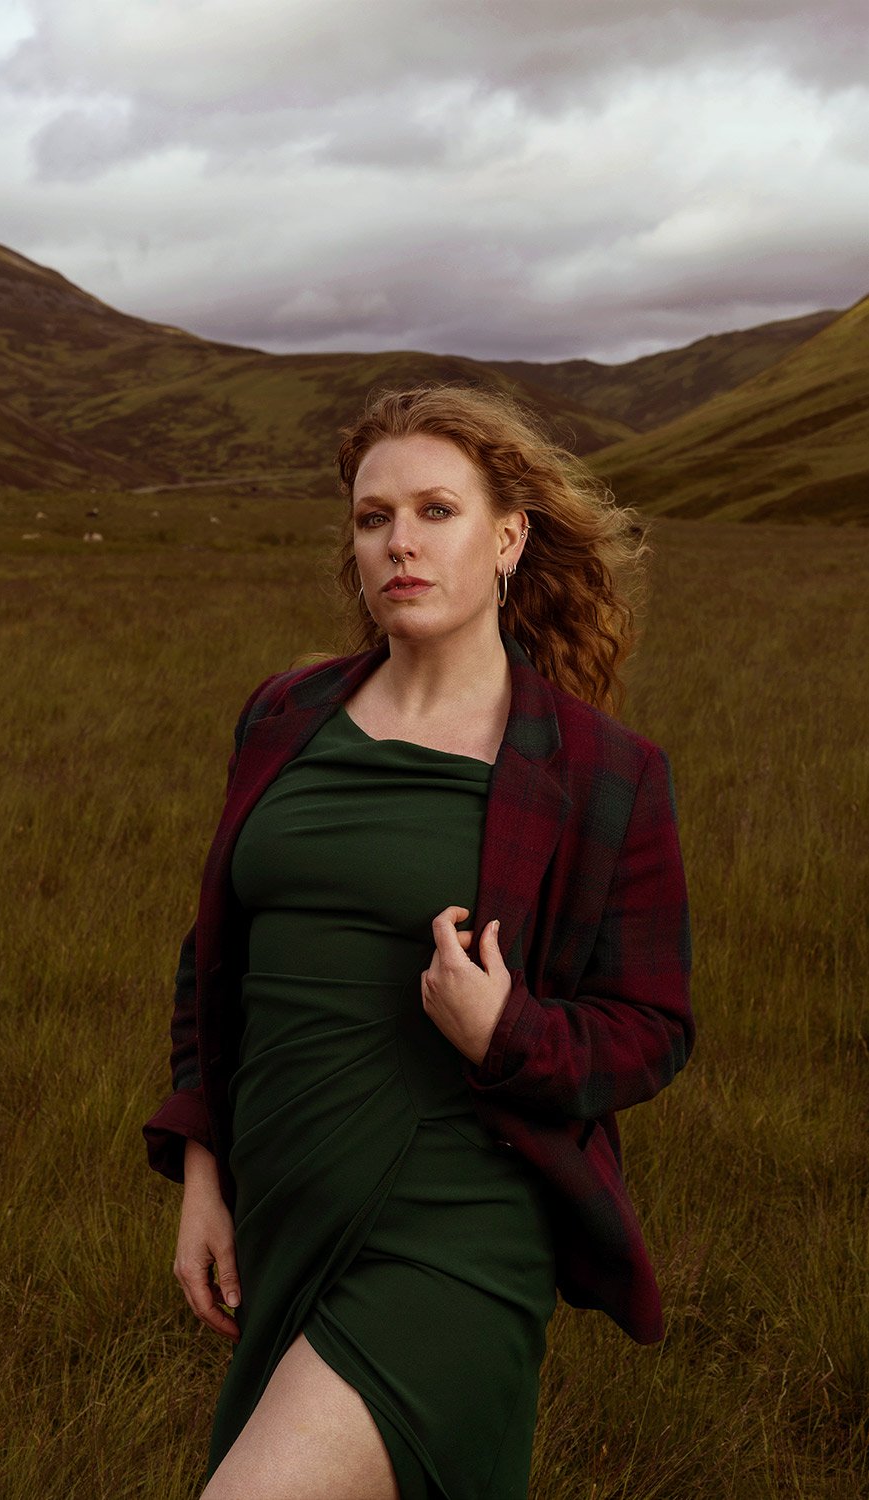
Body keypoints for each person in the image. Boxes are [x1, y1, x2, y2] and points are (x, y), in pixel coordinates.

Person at [143, 384, 694, 1500]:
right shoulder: (283, 715)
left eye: (436, 511)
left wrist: (505, 1033)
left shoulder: (602, 771)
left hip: (453, 1221)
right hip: (287, 1202)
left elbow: (651, 1028)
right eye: (372, 517)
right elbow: (216, 957)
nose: (399, 542)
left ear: (508, 538)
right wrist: (203, 1168)